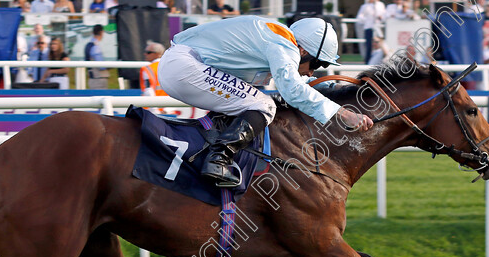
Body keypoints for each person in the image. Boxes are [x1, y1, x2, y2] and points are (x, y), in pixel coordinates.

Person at [157, 16, 372, 187]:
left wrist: (334, 89)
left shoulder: (279, 37)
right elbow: (293, 89)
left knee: (257, 100)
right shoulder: (284, 43)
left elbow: (294, 82)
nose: (311, 72)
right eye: (316, 63)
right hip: (184, 67)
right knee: (264, 105)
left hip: (182, 64)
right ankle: (218, 161)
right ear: (303, 50)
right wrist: (342, 114)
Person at [356, 0, 385, 64]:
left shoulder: (381, 5)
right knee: (369, 46)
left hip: (378, 28)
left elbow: (384, 15)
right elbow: (360, 17)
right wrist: (367, 20)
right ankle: (367, 61)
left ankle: (379, 61)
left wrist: (381, 18)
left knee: (380, 45)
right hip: (369, 27)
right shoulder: (365, 6)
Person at [84, 24, 109, 89]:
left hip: (92, 77)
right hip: (98, 78)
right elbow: (101, 66)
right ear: (102, 32)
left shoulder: (89, 45)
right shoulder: (96, 47)